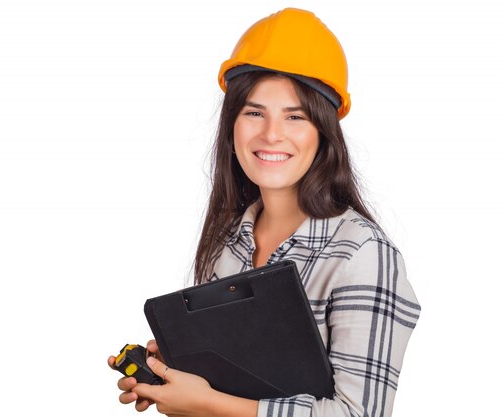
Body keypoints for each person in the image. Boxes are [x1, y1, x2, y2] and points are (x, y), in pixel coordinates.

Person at [108, 7, 420, 417]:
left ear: (323, 134)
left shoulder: (362, 254)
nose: (271, 134)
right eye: (254, 112)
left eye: (296, 117)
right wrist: (179, 376)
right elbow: (240, 385)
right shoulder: (227, 243)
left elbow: (359, 415)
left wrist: (208, 403)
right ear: (232, 124)